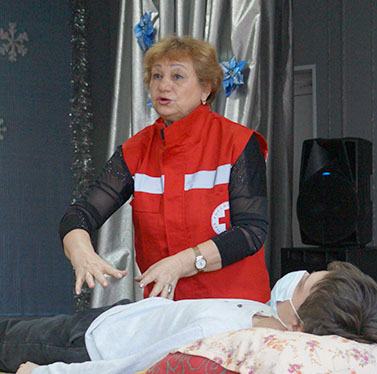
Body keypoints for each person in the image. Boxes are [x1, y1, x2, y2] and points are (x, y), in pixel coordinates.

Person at [0, 262, 377, 374]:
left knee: (5, 340)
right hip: (113, 320)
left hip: (88, 347)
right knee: (8, 333)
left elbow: (132, 371)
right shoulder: (266, 316)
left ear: (301, 322)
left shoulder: (223, 335)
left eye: (305, 284)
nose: (298, 276)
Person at [60, 35, 271, 302]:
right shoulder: (136, 150)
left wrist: (182, 263)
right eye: (157, 76)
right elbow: (80, 214)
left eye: (177, 76)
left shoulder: (238, 143)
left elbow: (251, 232)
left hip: (234, 306)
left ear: (205, 89)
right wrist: (81, 252)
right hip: (166, 309)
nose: (163, 85)